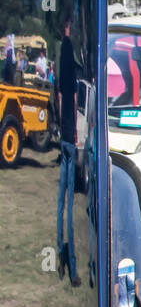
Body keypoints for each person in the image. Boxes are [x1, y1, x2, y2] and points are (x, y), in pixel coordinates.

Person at [57, 20, 80, 286]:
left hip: (61, 136)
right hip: (71, 139)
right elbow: (73, 101)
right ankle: (73, 269)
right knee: (71, 208)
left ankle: (60, 260)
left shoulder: (59, 62)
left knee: (60, 204)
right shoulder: (71, 64)